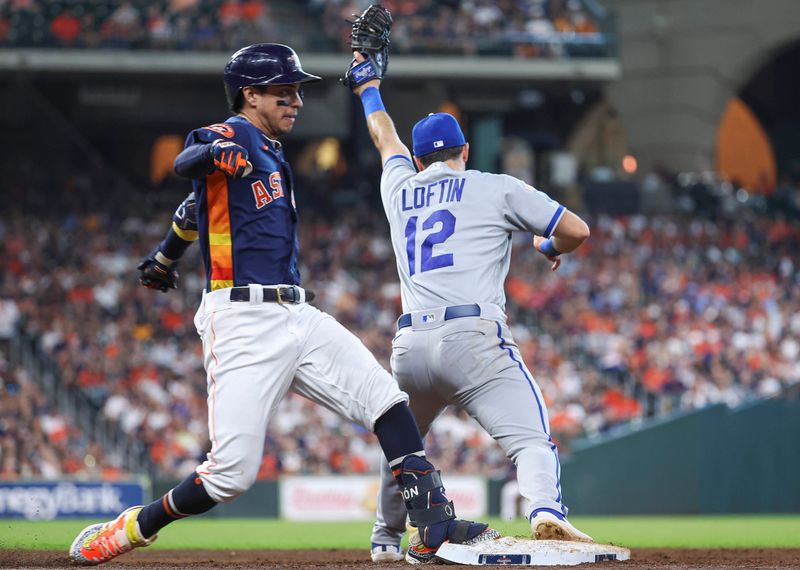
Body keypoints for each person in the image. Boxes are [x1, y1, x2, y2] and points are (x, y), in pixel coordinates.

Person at [69, 43, 497, 566]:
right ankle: (133, 527)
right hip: (243, 318)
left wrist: (164, 256)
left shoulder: (270, 150)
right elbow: (189, 159)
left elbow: (191, 209)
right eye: (284, 90)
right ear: (250, 94)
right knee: (231, 474)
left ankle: (432, 521)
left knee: (387, 399)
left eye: (297, 89)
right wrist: (210, 154)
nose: (296, 99)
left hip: (297, 312)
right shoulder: (235, 134)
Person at [344, 52, 593, 562]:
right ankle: (546, 511)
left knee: (404, 446)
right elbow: (576, 230)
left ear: (418, 161)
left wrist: (367, 85)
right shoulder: (494, 185)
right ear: (465, 149)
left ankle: (384, 540)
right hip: (472, 338)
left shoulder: (399, 188)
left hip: (410, 347)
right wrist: (548, 248)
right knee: (531, 439)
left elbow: (382, 135)